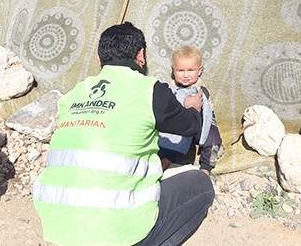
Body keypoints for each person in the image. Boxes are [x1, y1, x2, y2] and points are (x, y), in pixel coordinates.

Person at [33, 22, 215, 246]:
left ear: (99, 60)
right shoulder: (150, 89)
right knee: (200, 183)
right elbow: (189, 127)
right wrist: (192, 108)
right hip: (119, 232)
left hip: (59, 226)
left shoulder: (74, 93)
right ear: (141, 55)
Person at [158, 45, 223, 175]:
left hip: (201, 123)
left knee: (213, 137)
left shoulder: (199, 89)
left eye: (191, 70)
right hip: (180, 122)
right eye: (181, 70)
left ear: (199, 70)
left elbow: (206, 113)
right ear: (173, 70)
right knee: (167, 138)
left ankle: (206, 168)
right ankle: (166, 160)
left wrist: (204, 135)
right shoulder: (170, 88)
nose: (186, 75)